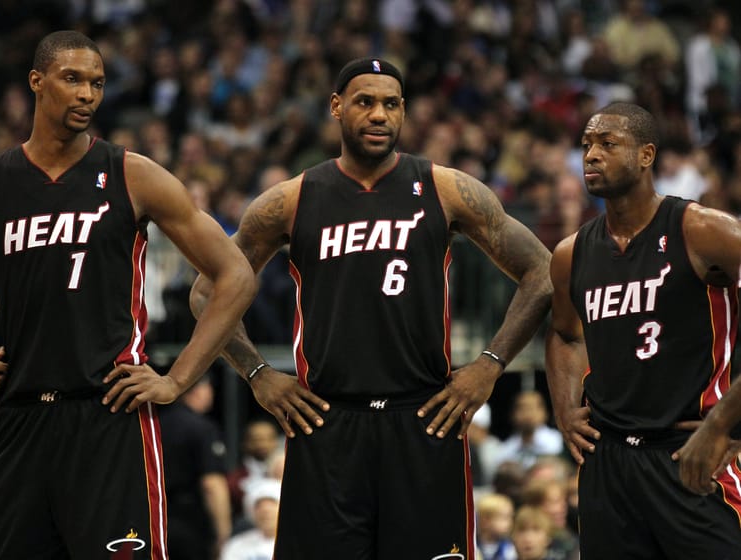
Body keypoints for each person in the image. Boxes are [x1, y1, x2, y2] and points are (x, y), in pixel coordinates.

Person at [0, 30, 256, 559]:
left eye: (98, 83)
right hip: (20, 418)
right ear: (37, 82)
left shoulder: (133, 174)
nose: (87, 93)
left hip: (108, 416)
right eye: (73, 79)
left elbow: (236, 276)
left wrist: (177, 380)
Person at [191, 56, 552, 559]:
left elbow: (543, 271)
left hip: (424, 416)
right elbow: (207, 291)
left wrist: (489, 366)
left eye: (391, 104)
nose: (379, 114)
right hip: (327, 422)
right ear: (336, 107)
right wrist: (258, 375)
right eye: (365, 102)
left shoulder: (444, 187)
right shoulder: (292, 199)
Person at [545, 101, 741, 559]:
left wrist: (723, 424)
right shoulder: (571, 253)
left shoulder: (702, 229)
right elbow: (565, 334)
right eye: (587, 144)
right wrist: (564, 408)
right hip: (608, 464)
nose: (591, 154)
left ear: (647, 155)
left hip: (689, 449)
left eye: (608, 144)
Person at [159, 374, 232, 560]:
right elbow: (212, 484)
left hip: (154, 518)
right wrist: (224, 532)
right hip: (189, 521)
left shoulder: (154, 425)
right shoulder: (202, 428)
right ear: (198, 390)